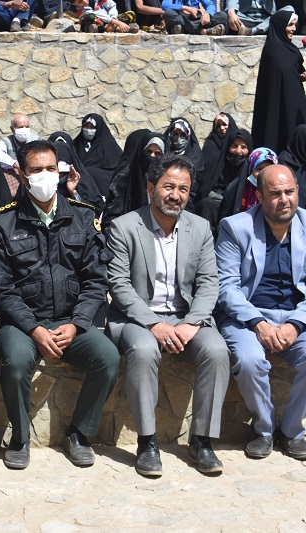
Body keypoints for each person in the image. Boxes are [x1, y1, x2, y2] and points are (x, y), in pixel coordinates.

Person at [0, 140, 119, 469]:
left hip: (70, 320)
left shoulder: (82, 216)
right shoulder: (3, 222)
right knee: (16, 363)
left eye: (51, 168)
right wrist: (33, 329)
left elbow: (95, 281)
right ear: (21, 174)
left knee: (108, 358)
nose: (45, 176)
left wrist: (77, 324)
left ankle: (79, 434)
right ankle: (20, 438)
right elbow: (2, 289)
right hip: (22, 323)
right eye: (36, 170)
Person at [107, 153, 230, 477]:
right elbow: (119, 285)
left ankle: (201, 441)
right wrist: (155, 324)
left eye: (183, 189)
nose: (176, 195)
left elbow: (209, 282)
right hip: (138, 318)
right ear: (151, 188)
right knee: (143, 350)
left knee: (217, 350)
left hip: (185, 316)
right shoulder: (124, 227)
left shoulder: (199, 228)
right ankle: (147, 442)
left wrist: (192, 323)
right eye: (169, 187)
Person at [216, 164, 306, 460]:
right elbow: (226, 287)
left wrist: (295, 324)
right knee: (249, 361)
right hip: (248, 316)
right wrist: (259, 323)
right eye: (276, 193)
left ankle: (291, 431)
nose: (285, 200)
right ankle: (264, 429)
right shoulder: (235, 227)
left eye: (289, 191)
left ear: (297, 190)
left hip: (296, 316)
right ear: (260, 196)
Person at [252, 11, 306, 154]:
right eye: (290, 25)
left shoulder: (291, 49)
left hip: (295, 103)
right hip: (277, 106)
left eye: (295, 25)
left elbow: (294, 72)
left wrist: (301, 76)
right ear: (280, 26)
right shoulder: (272, 49)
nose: (294, 29)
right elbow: (275, 79)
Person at [103, 130, 165, 227]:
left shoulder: (167, 178)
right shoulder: (126, 176)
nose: (152, 156)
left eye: (157, 153)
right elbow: (113, 213)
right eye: (148, 152)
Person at [195, 129, 253, 231]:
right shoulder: (217, 166)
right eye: (234, 146)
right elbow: (204, 191)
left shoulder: (249, 172)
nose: (238, 151)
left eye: (243, 147)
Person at [217, 147, 279, 221]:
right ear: (251, 169)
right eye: (259, 169)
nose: (264, 173)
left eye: (269, 169)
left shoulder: (281, 192)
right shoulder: (236, 192)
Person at [73, 113, 123, 199]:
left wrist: (91, 172)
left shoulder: (109, 146)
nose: (88, 130)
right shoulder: (76, 144)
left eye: (92, 127)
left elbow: (115, 170)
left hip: (101, 189)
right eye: (86, 126)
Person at [0, 114, 41, 196]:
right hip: (13, 182)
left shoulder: (37, 141)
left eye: (27, 127)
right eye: (20, 127)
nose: (24, 130)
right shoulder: (6, 142)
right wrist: (15, 164)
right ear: (12, 129)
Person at [164, 118, 205, 197]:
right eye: (175, 134)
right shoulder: (164, 150)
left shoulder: (195, 156)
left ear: (188, 135)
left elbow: (195, 184)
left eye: (182, 134)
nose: (178, 138)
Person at [201, 113, 238, 185]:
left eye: (224, 124)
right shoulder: (211, 144)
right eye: (218, 126)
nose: (221, 128)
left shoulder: (237, 144)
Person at [69, 0, 139, 32]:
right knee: (90, 17)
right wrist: (117, 23)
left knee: (131, 14)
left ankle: (114, 27)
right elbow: (96, 14)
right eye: (80, 1)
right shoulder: (78, 9)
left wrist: (113, 19)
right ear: (75, 4)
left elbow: (112, 6)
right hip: (99, 22)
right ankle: (122, 28)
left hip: (110, 19)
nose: (84, 1)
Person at [161, 0, 227, 34]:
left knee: (222, 16)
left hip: (195, 19)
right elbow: (165, 5)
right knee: (167, 13)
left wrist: (208, 14)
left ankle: (186, 29)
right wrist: (185, 8)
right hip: (181, 18)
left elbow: (209, 4)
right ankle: (203, 31)